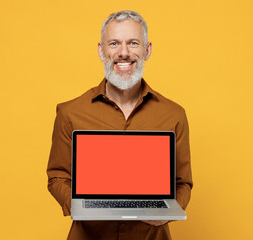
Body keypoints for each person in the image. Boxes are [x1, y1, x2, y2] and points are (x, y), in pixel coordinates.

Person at [47, 10, 193, 240]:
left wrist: (166, 213)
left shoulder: (173, 115)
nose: (123, 53)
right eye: (114, 43)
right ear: (101, 50)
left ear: (147, 50)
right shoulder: (70, 113)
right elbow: (57, 176)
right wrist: (82, 207)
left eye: (133, 43)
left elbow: (183, 183)